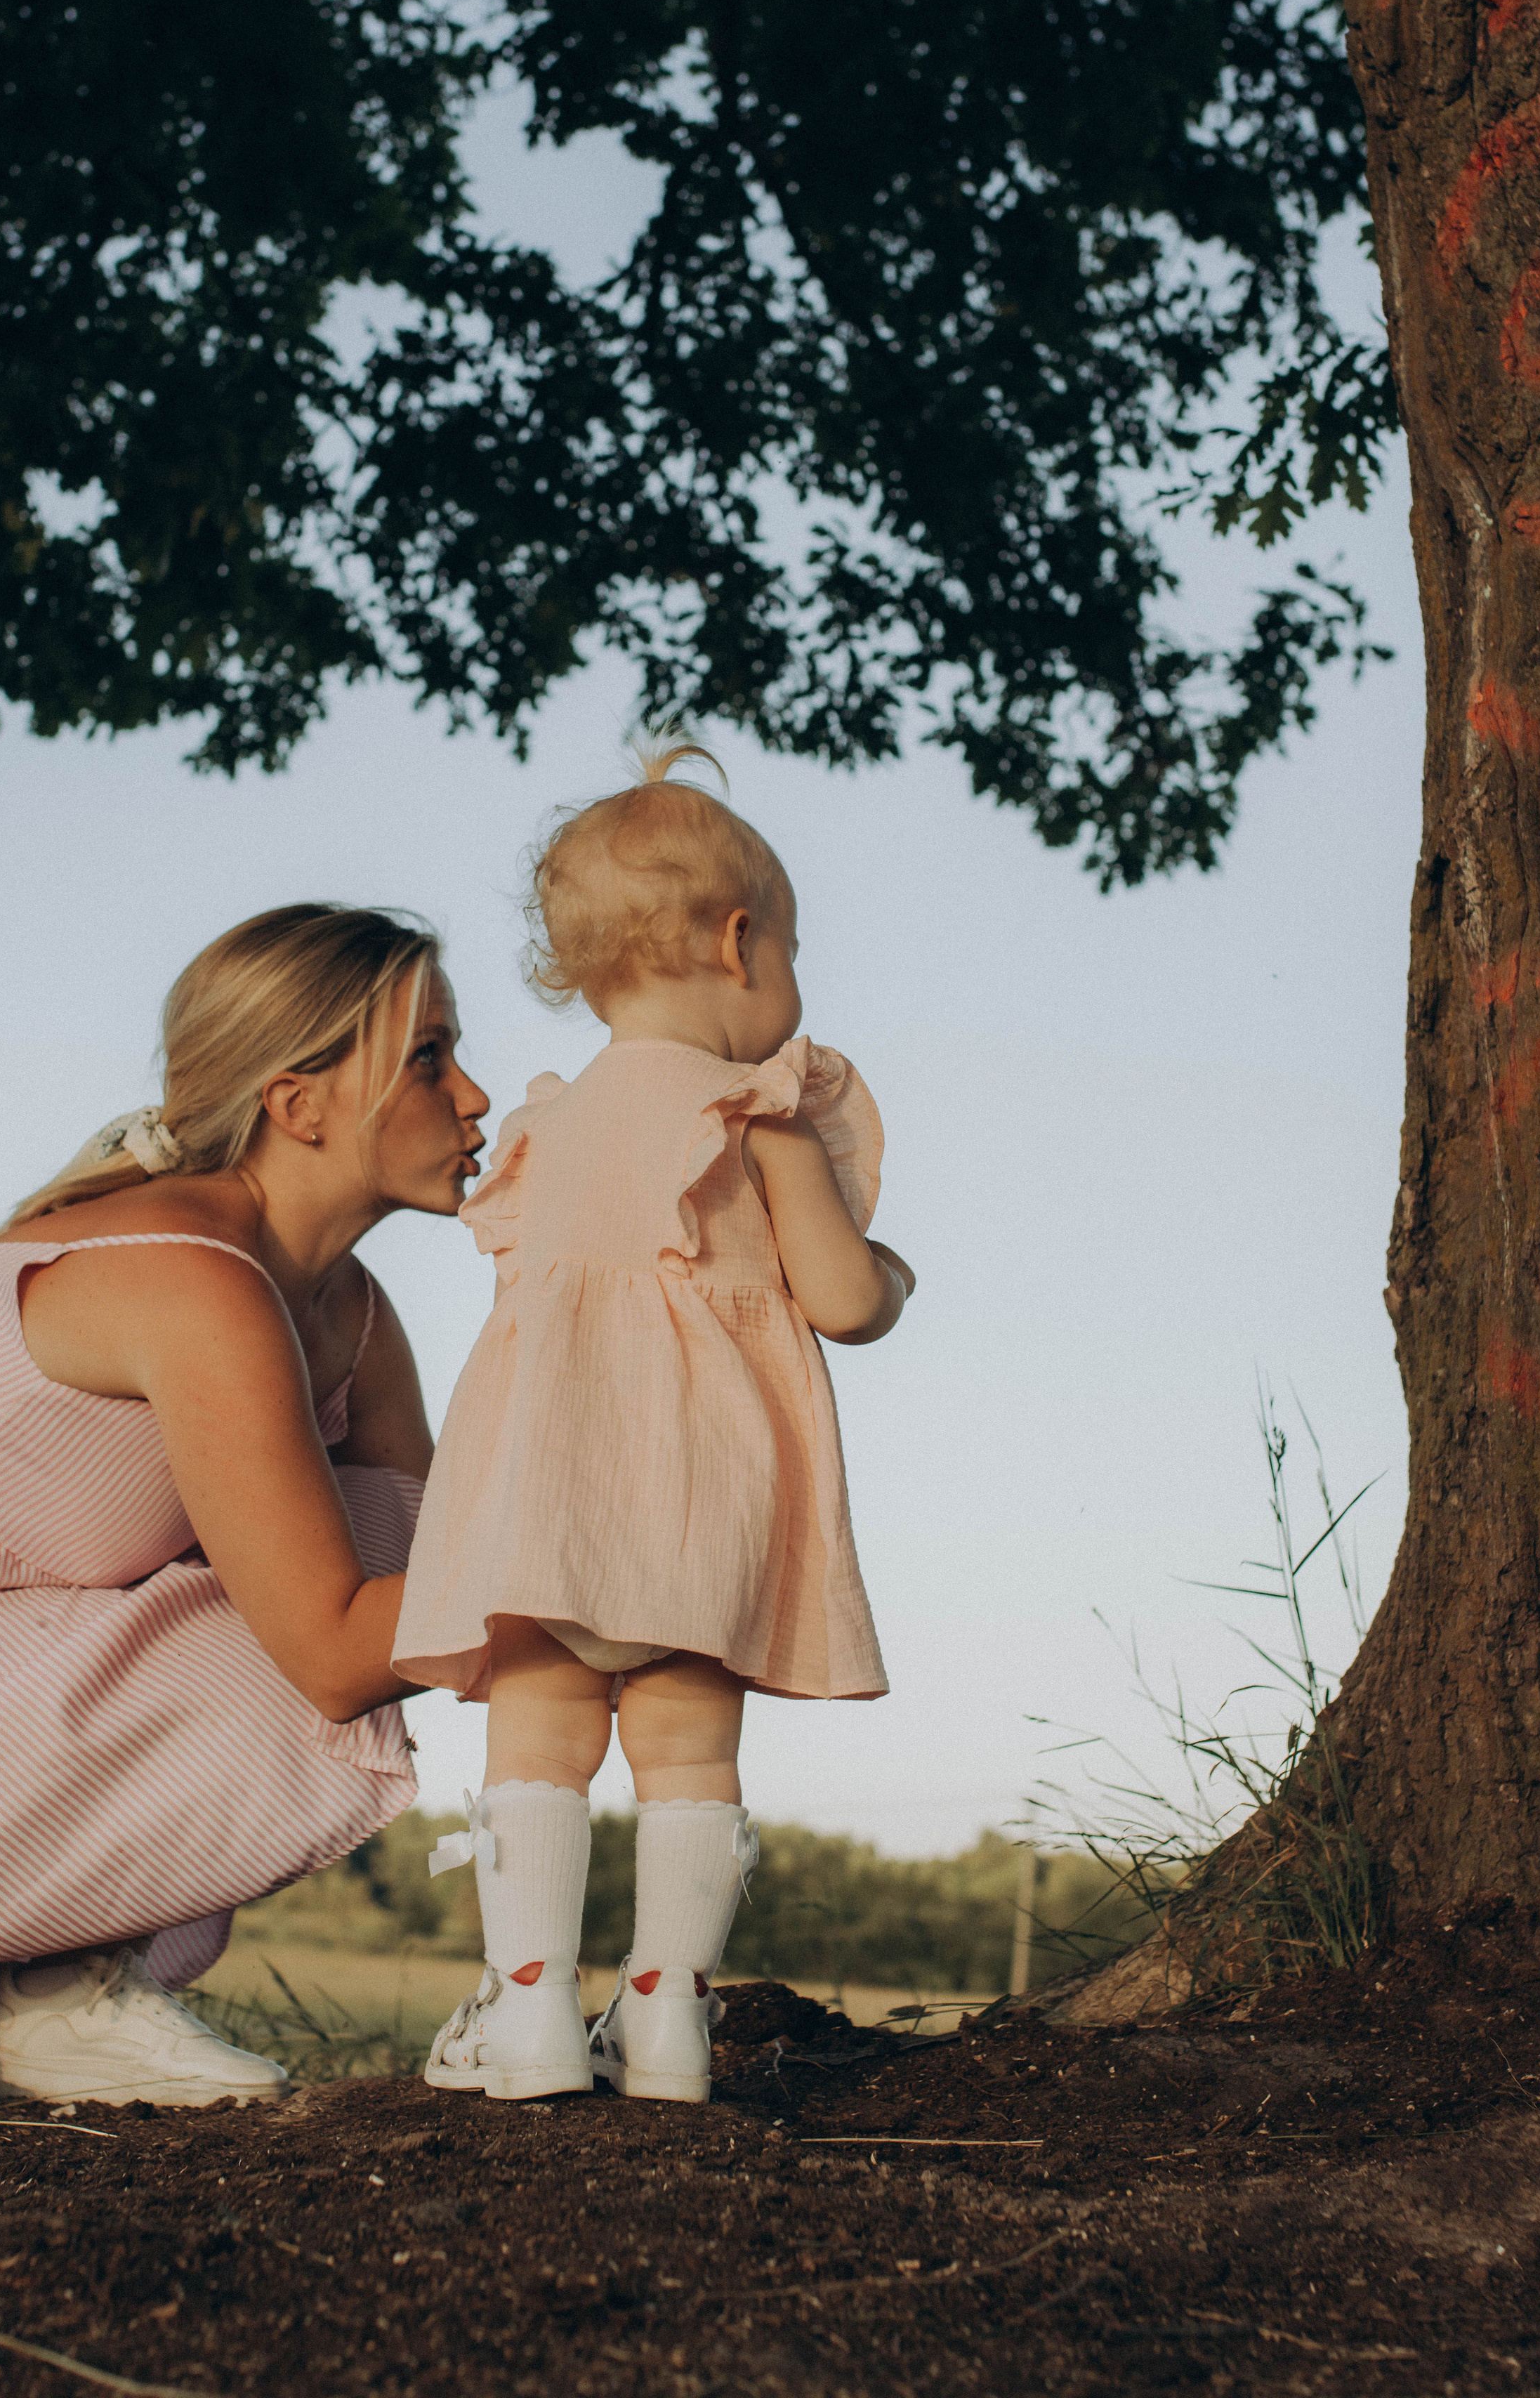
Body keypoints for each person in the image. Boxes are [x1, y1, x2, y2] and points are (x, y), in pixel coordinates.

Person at [0, 905, 488, 2111]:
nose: (475, 1096)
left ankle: (68, 1995)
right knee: (300, 1641)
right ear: (299, 1105)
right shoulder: (198, 1286)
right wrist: (620, 1590)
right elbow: (344, 1653)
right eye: (428, 1057)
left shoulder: (349, 1312)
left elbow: (436, 1557)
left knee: (372, 1554)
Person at [393, 747, 914, 2104]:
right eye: (792, 949)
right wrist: (891, 1267)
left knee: (540, 1731)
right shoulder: (761, 1111)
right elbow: (848, 1303)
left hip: (553, 1490)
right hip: (706, 1491)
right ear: (741, 945)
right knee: (690, 1744)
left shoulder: (541, 1134)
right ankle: (669, 2022)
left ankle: (529, 2018)